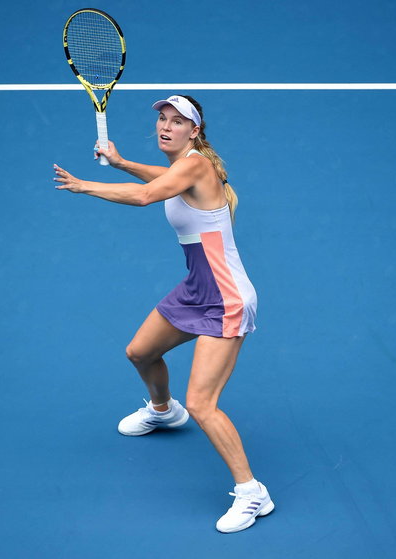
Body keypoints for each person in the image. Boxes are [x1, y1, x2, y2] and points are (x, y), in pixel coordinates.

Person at [53, 95, 273, 533]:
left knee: (204, 404)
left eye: (177, 122)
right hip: (197, 288)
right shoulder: (189, 167)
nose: (165, 127)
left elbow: (147, 196)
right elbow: (161, 178)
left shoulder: (195, 165)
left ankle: (252, 494)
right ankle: (163, 410)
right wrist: (120, 163)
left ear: (195, 131)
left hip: (225, 298)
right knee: (140, 352)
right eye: (162, 120)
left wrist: (86, 185)